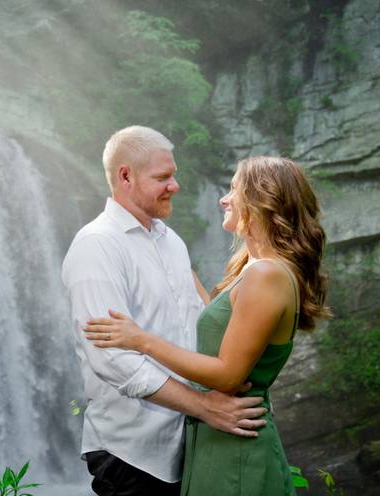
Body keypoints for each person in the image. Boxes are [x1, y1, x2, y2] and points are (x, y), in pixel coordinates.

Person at [84, 156, 330, 496]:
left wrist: (141, 340)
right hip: (218, 439)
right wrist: (156, 241)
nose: (224, 198)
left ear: (264, 199)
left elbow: (228, 374)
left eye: (234, 189)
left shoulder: (267, 274)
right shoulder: (254, 268)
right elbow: (206, 310)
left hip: (236, 448)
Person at [62, 126, 269, 496]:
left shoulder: (170, 240)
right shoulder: (97, 246)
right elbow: (111, 360)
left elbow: (196, 323)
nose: (174, 185)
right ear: (125, 175)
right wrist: (205, 407)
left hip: (189, 442)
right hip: (132, 453)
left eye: (173, 175)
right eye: (163, 177)